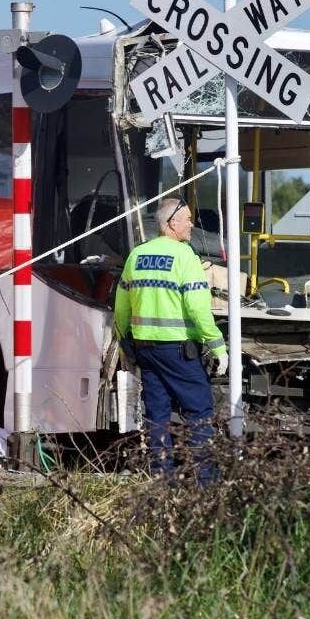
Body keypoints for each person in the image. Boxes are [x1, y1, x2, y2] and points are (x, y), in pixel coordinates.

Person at [113, 198, 226, 480]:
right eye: (187, 219)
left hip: (146, 350)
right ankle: (205, 482)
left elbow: (121, 306)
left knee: (157, 415)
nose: (191, 224)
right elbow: (198, 308)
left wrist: (124, 340)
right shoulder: (185, 256)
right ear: (171, 223)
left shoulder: (136, 255)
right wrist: (217, 345)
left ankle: (161, 479)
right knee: (199, 411)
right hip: (178, 351)